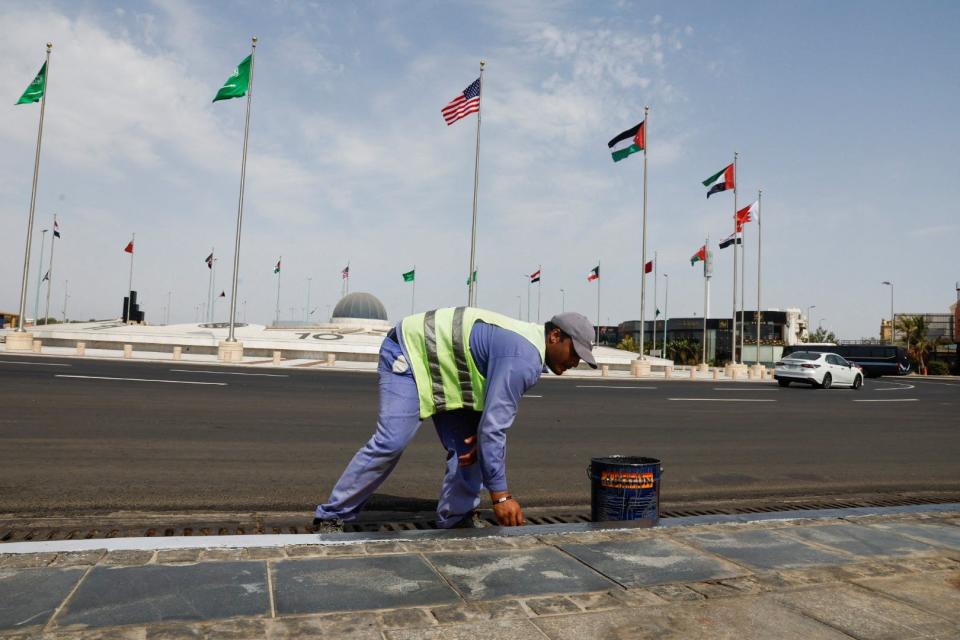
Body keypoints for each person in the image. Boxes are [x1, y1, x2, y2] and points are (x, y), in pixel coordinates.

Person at [314, 307, 597, 531]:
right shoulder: (523, 357)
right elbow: (494, 429)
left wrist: (484, 444)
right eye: (575, 353)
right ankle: (332, 515)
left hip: (447, 373)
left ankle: (455, 517)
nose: (575, 362)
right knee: (391, 442)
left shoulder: (528, 350)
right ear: (555, 336)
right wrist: (500, 496)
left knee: (470, 448)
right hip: (410, 353)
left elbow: (487, 431)